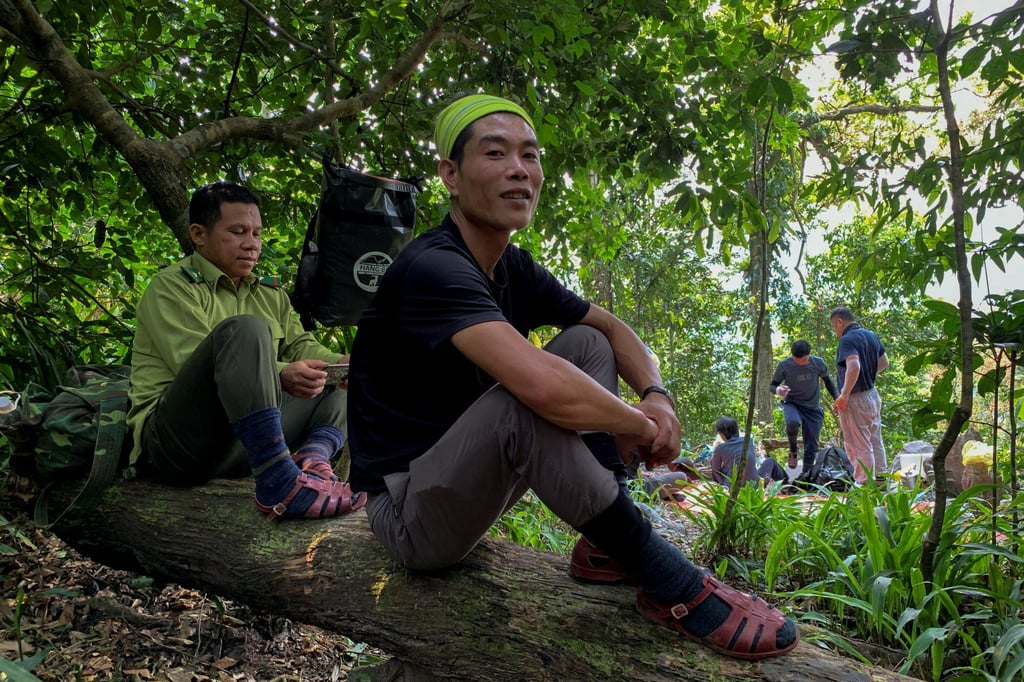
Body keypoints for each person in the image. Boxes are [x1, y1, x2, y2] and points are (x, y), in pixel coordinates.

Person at [346, 94, 798, 660]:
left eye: (530, 155)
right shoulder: (433, 267)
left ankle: (607, 543)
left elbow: (608, 326)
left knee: (587, 340)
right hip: (408, 515)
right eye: (495, 153)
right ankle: (670, 581)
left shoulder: (511, 267)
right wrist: (638, 424)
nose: (519, 169)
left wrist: (657, 397)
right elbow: (541, 388)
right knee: (521, 405)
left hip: (462, 480)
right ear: (451, 176)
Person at [127, 181, 364, 519]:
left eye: (256, 233)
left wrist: (340, 363)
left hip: (242, 443)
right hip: (178, 444)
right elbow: (191, 363)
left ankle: (311, 462)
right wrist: (280, 374)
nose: (252, 244)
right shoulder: (172, 286)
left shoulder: (269, 294)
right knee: (245, 329)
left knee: (344, 382)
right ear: (198, 234)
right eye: (238, 232)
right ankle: (279, 482)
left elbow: (301, 345)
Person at [829, 306, 889, 484]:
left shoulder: (847, 340)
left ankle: (864, 485)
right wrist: (867, 375)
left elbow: (854, 365)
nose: (835, 332)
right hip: (872, 395)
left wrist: (844, 395)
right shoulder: (870, 335)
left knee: (858, 443)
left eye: (834, 327)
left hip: (855, 397)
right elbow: (884, 362)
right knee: (875, 440)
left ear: (839, 322)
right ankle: (881, 481)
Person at [769, 340, 839, 482]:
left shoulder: (817, 363)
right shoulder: (784, 365)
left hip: (812, 408)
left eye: (804, 360)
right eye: (797, 360)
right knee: (792, 423)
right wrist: (778, 390)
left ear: (809, 355)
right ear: (792, 356)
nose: (801, 363)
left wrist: (837, 398)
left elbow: (828, 381)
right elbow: (773, 385)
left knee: (811, 445)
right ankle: (793, 450)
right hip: (792, 403)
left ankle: (806, 478)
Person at [709, 417, 786, 486]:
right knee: (770, 461)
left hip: (733, 487)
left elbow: (715, 470)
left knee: (714, 462)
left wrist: (723, 484)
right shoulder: (749, 441)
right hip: (756, 486)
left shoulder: (720, 448)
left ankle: (724, 487)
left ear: (721, 434)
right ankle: (787, 486)